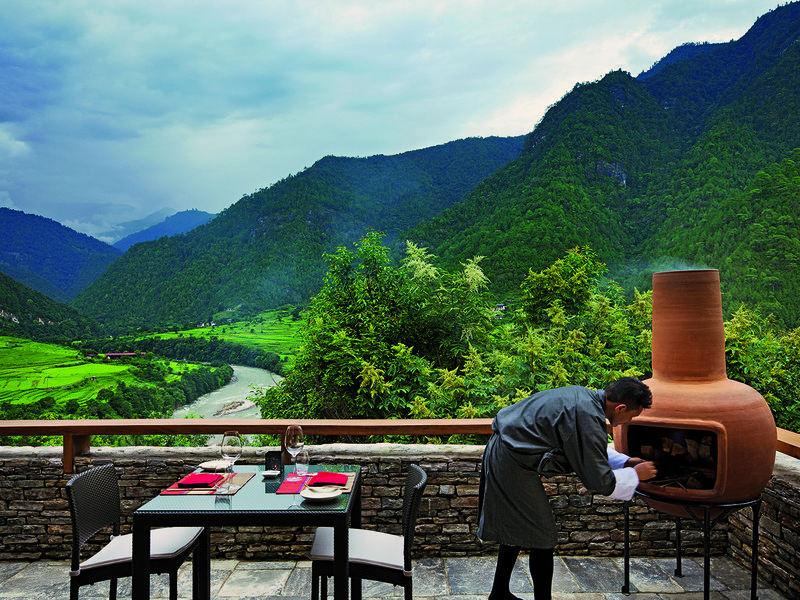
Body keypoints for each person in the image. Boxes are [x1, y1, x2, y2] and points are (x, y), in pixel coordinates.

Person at [477, 377, 657, 600]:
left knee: (517, 526)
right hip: (512, 460)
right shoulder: (587, 413)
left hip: (506, 451)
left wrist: (625, 462)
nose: (628, 421)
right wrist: (636, 475)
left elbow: (586, 446)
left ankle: (499, 594)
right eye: (631, 416)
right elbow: (599, 480)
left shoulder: (583, 398)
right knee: (543, 536)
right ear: (620, 407)